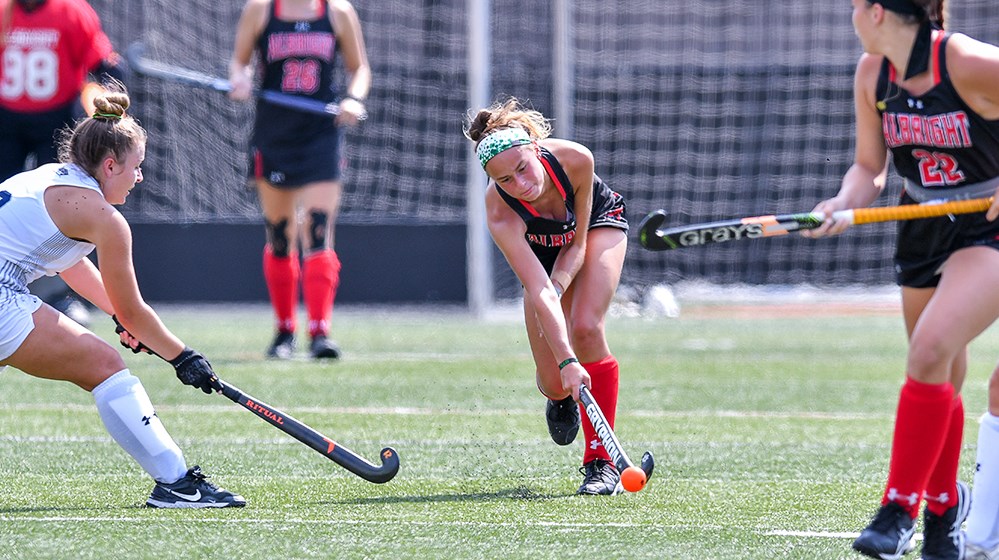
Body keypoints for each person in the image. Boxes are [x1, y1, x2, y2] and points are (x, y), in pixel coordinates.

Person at [804, 1, 999, 558]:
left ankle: (897, 509)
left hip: (988, 224)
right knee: (941, 372)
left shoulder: (960, 60)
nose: (851, 18)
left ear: (878, 11)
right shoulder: (873, 73)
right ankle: (943, 510)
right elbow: (870, 166)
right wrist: (843, 204)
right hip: (922, 225)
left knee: (930, 349)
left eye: (854, 8)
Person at [0, 84, 245, 508]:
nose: (140, 177)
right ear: (111, 165)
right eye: (137, 167)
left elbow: (69, 263)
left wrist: (120, 317)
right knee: (105, 364)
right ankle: (179, 484)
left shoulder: (54, 181)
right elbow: (134, 309)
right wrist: (183, 357)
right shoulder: (103, 218)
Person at [463, 98, 630, 495]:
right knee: (557, 381)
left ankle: (600, 463)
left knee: (586, 327)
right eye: (505, 180)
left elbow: (577, 246)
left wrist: (560, 297)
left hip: (592, 230)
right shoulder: (499, 212)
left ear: (535, 149)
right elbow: (538, 287)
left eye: (522, 168)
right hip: (541, 256)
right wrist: (565, 360)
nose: (521, 185)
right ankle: (558, 398)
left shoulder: (575, 160)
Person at [228, 0, 370, 360]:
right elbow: (238, 61)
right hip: (274, 135)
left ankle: (320, 332)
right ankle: (284, 331)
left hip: (320, 135)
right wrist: (240, 77)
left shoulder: (337, 12)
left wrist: (354, 99)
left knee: (318, 229)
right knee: (280, 236)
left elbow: (359, 69)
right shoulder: (261, 10)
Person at [0, 0, 128, 327]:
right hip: (4, 121)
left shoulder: (71, 11)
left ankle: (62, 296)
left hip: (55, 120)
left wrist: (107, 88)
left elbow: (104, 64)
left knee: (61, 211)